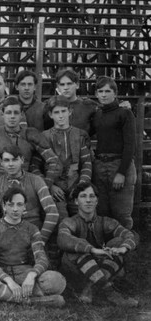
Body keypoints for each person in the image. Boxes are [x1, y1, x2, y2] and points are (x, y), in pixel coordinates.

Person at [0, 187, 66, 307]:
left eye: (19, 204)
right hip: (1, 274)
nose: (15, 209)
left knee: (56, 279)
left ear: (24, 207)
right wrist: (9, 281)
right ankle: (32, 300)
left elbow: (42, 259)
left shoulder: (32, 229)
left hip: (25, 273)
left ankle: (5, 297)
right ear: (4, 206)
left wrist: (31, 276)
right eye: (10, 205)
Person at [57, 182, 138, 306]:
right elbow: (63, 239)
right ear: (76, 201)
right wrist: (92, 250)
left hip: (99, 267)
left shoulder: (105, 221)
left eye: (92, 196)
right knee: (74, 249)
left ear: (97, 201)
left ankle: (90, 288)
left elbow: (129, 235)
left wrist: (122, 248)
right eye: (83, 196)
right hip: (76, 270)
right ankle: (110, 292)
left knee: (119, 243)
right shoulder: (69, 222)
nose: (88, 200)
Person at [0, 146, 59, 244]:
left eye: (15, 160)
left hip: (33, 232)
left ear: (22, 160)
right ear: (1, 162)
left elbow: (53, 213)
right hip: (7, 234)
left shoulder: (36, 180)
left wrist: (40, 240)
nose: (11, 164)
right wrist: (1, 239)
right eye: (6, 160)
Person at [90, 76, 136, 230]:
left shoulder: (125, 114)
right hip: (100, 165)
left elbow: (130, 145)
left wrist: (122, 173)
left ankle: (125, 249)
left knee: (121, 214)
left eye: (108, 91)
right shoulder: (97, 115)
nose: (104, 95)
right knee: (102, 211)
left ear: (115, 93)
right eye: (100, 91)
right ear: (96, 94)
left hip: (119, 164)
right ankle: (106, 249)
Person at [0, 96, 60, 186]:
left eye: (16, 113)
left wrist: (46, 184)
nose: (12, 116)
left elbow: (54, 161)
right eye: (8, 112)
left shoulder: (30, 135)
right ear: (2, 114)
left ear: (21, 114)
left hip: (26, 189)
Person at [43, 95, 92, 220]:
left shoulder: (79, 135)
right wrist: (50, 186)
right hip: (54, 188)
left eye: (63, 111)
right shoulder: (44, 137)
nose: (60, 115)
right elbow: (35, 166)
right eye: (56, 112)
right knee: (60, 219)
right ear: (50, 114)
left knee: (83, 219)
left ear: (70, 112)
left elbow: (86, 163)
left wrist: (80, 186)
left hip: (76, 186)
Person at [43, 69, 98, 133]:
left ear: (77, 85)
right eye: (62, 84)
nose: (66, 88)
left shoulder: (89, 106)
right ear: (58, 86)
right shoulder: (48, 106)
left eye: (69, 84)